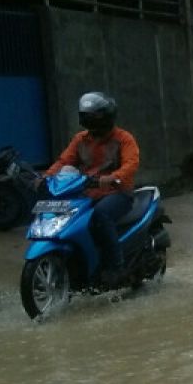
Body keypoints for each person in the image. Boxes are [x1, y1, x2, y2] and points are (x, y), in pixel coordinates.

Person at [44, 92, 140, 286]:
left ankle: (116, 267)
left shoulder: (123, 139)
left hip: (118, 192)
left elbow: (132, 163)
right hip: (87, 192)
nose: (91, 121)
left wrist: (113, 177)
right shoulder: (80, 139)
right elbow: (65, 161)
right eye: (87, 116)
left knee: (101, 216)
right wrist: (46, 176)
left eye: (95, 116)